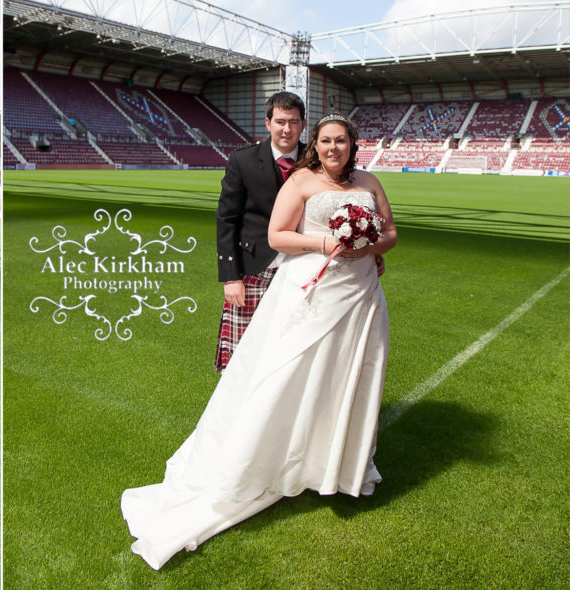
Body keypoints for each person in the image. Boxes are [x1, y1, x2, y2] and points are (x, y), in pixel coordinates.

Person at [121, 114, 398, 570]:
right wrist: (327, 242)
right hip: (312, 293)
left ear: (353, 144)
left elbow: (389, 234)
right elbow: (277, 236)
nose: (334, 148)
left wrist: (368, 246)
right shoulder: (303, 181)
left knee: (349, 376)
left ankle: (334, 464)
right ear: (317, 143)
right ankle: (274, 457)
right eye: (326, 141)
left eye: (341, 141)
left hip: (362, 294)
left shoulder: (370, 181)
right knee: (288, 377)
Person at [215, 92, 306, 371]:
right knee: (241, 354)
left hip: (302, 268)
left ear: (303, 124)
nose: (286, 129)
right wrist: (230, 277)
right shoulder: (242, 160)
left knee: (291, 348)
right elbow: (227, 220)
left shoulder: (316, 161)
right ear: (268, 123)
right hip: (253, 268)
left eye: (293, 122)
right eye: (280, 121)